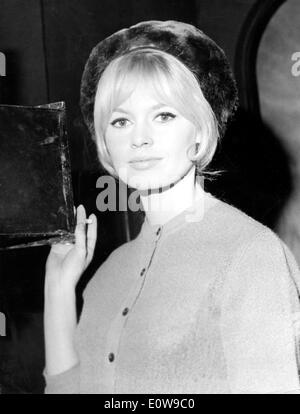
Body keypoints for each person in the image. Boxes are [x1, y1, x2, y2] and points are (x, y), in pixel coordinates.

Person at [43, 20, 300, 394]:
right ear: (105, 144)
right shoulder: (106, 277)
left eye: (163, 115)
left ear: (199, 130)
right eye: (120, 121)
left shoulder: (250, 255)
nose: (140, 139)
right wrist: (58, 287)